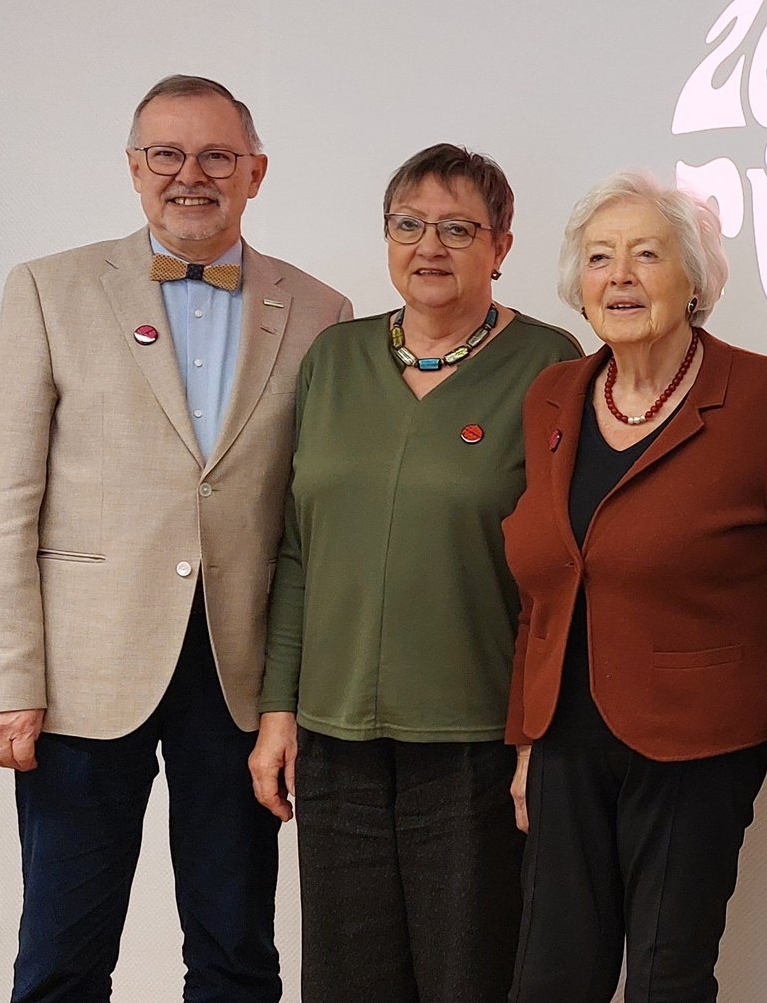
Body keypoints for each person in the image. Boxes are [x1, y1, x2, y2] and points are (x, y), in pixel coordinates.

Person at [0, 74, 350, 1001]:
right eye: (166, 154)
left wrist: (297, 693)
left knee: (236, 946)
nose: (191, 175)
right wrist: (0, 679)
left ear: (256, 172)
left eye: (216, 155)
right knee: (63, 947)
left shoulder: (325, 313)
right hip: (82, 672)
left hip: (241, 674)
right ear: (134, 169)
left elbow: (310, 516)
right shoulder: (50, 290)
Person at [247, 144, 580, 1002]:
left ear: (501, 246)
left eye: (457, 228)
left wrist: (538, 734)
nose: (429, 246)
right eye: (409, 224)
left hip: (472, 736)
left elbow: (563, 573)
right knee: (346, 980)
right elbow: (296, 547)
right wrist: (279, 710)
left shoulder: (552, 364)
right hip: (333, 737)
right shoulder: (334, 358)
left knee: (466, 977)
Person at [501, 171, 767, 1003]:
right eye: (600, 257)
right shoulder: (553, 396)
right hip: (565, 740)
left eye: (647, 255)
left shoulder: (765, 398)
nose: (620, 276)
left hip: (700, 741)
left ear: (694, 280)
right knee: (549, 977)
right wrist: (527, 741)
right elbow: (542, 591)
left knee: (664, 975)